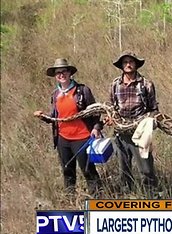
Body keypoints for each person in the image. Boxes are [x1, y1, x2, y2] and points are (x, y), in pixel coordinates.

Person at [34, 58, 102, 198]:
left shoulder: (82, 90)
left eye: (64, 71)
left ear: (70, 73)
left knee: (88, 170)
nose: (61, 74)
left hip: (82, 137)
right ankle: (70, 200)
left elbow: (95, 111)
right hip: (63, 139)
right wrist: (43, 117)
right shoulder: (55, 94)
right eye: (58, 72)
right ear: (55, 76)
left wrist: (96, 127)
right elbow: (56, 117)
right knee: (67, 170)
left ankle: (97, 200)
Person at [103, 51, 159, 197]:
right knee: (124, 170)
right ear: (121, 66)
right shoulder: (115, 84)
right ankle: (128, 198)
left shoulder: (146, 84)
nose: (128, 64)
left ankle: (151, 198)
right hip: (120, 134)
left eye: (131, 62)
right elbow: (110, 106)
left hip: (140, 133)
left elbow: (154, 110)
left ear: (136, 64)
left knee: (146, 170)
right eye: (125, 62)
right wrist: (109, 118)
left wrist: (148, 123)